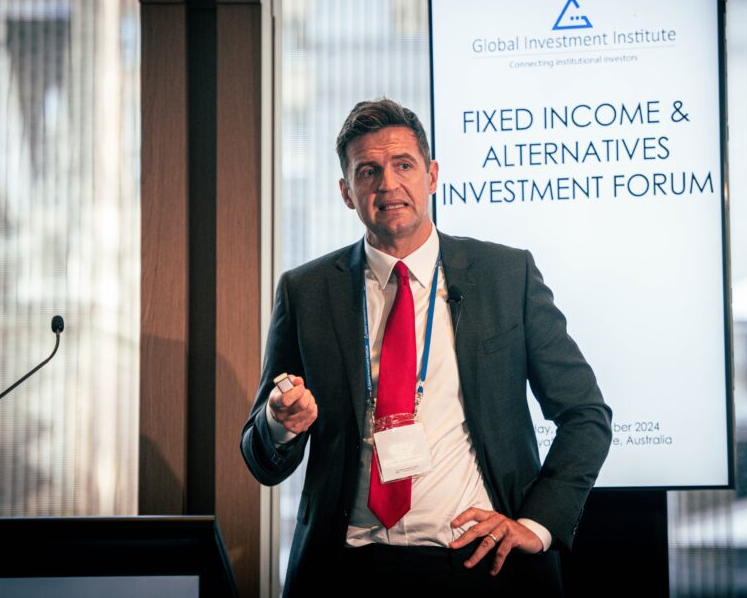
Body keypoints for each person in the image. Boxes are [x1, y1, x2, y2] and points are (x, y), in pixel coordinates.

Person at [241, 98, 611, 596]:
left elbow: (586, 415)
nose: (387, 184)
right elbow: (262, 460)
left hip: (479, 565)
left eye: (403, 166)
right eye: (367, 171)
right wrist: (278, 425)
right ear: (347, 192)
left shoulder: (506, 276)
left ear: (432, 175)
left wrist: (538, 525)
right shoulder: (305, 292)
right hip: (346, 572)